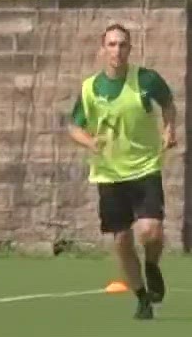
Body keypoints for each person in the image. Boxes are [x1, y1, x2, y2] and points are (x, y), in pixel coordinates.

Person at [67, 23, 178, 320]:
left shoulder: (146, 79)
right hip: (109, 174)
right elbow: (74, 126)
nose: (117, 50)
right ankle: (142, 297)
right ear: (102, 50)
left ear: (130, 49)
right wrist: (90, 142)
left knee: (150, 231)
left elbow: (168, 103)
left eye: (123, 45)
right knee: (121, 240)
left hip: (144, 168)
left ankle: (153, 266)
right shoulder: (90, 88)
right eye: (112, 45)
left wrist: (169, 129)